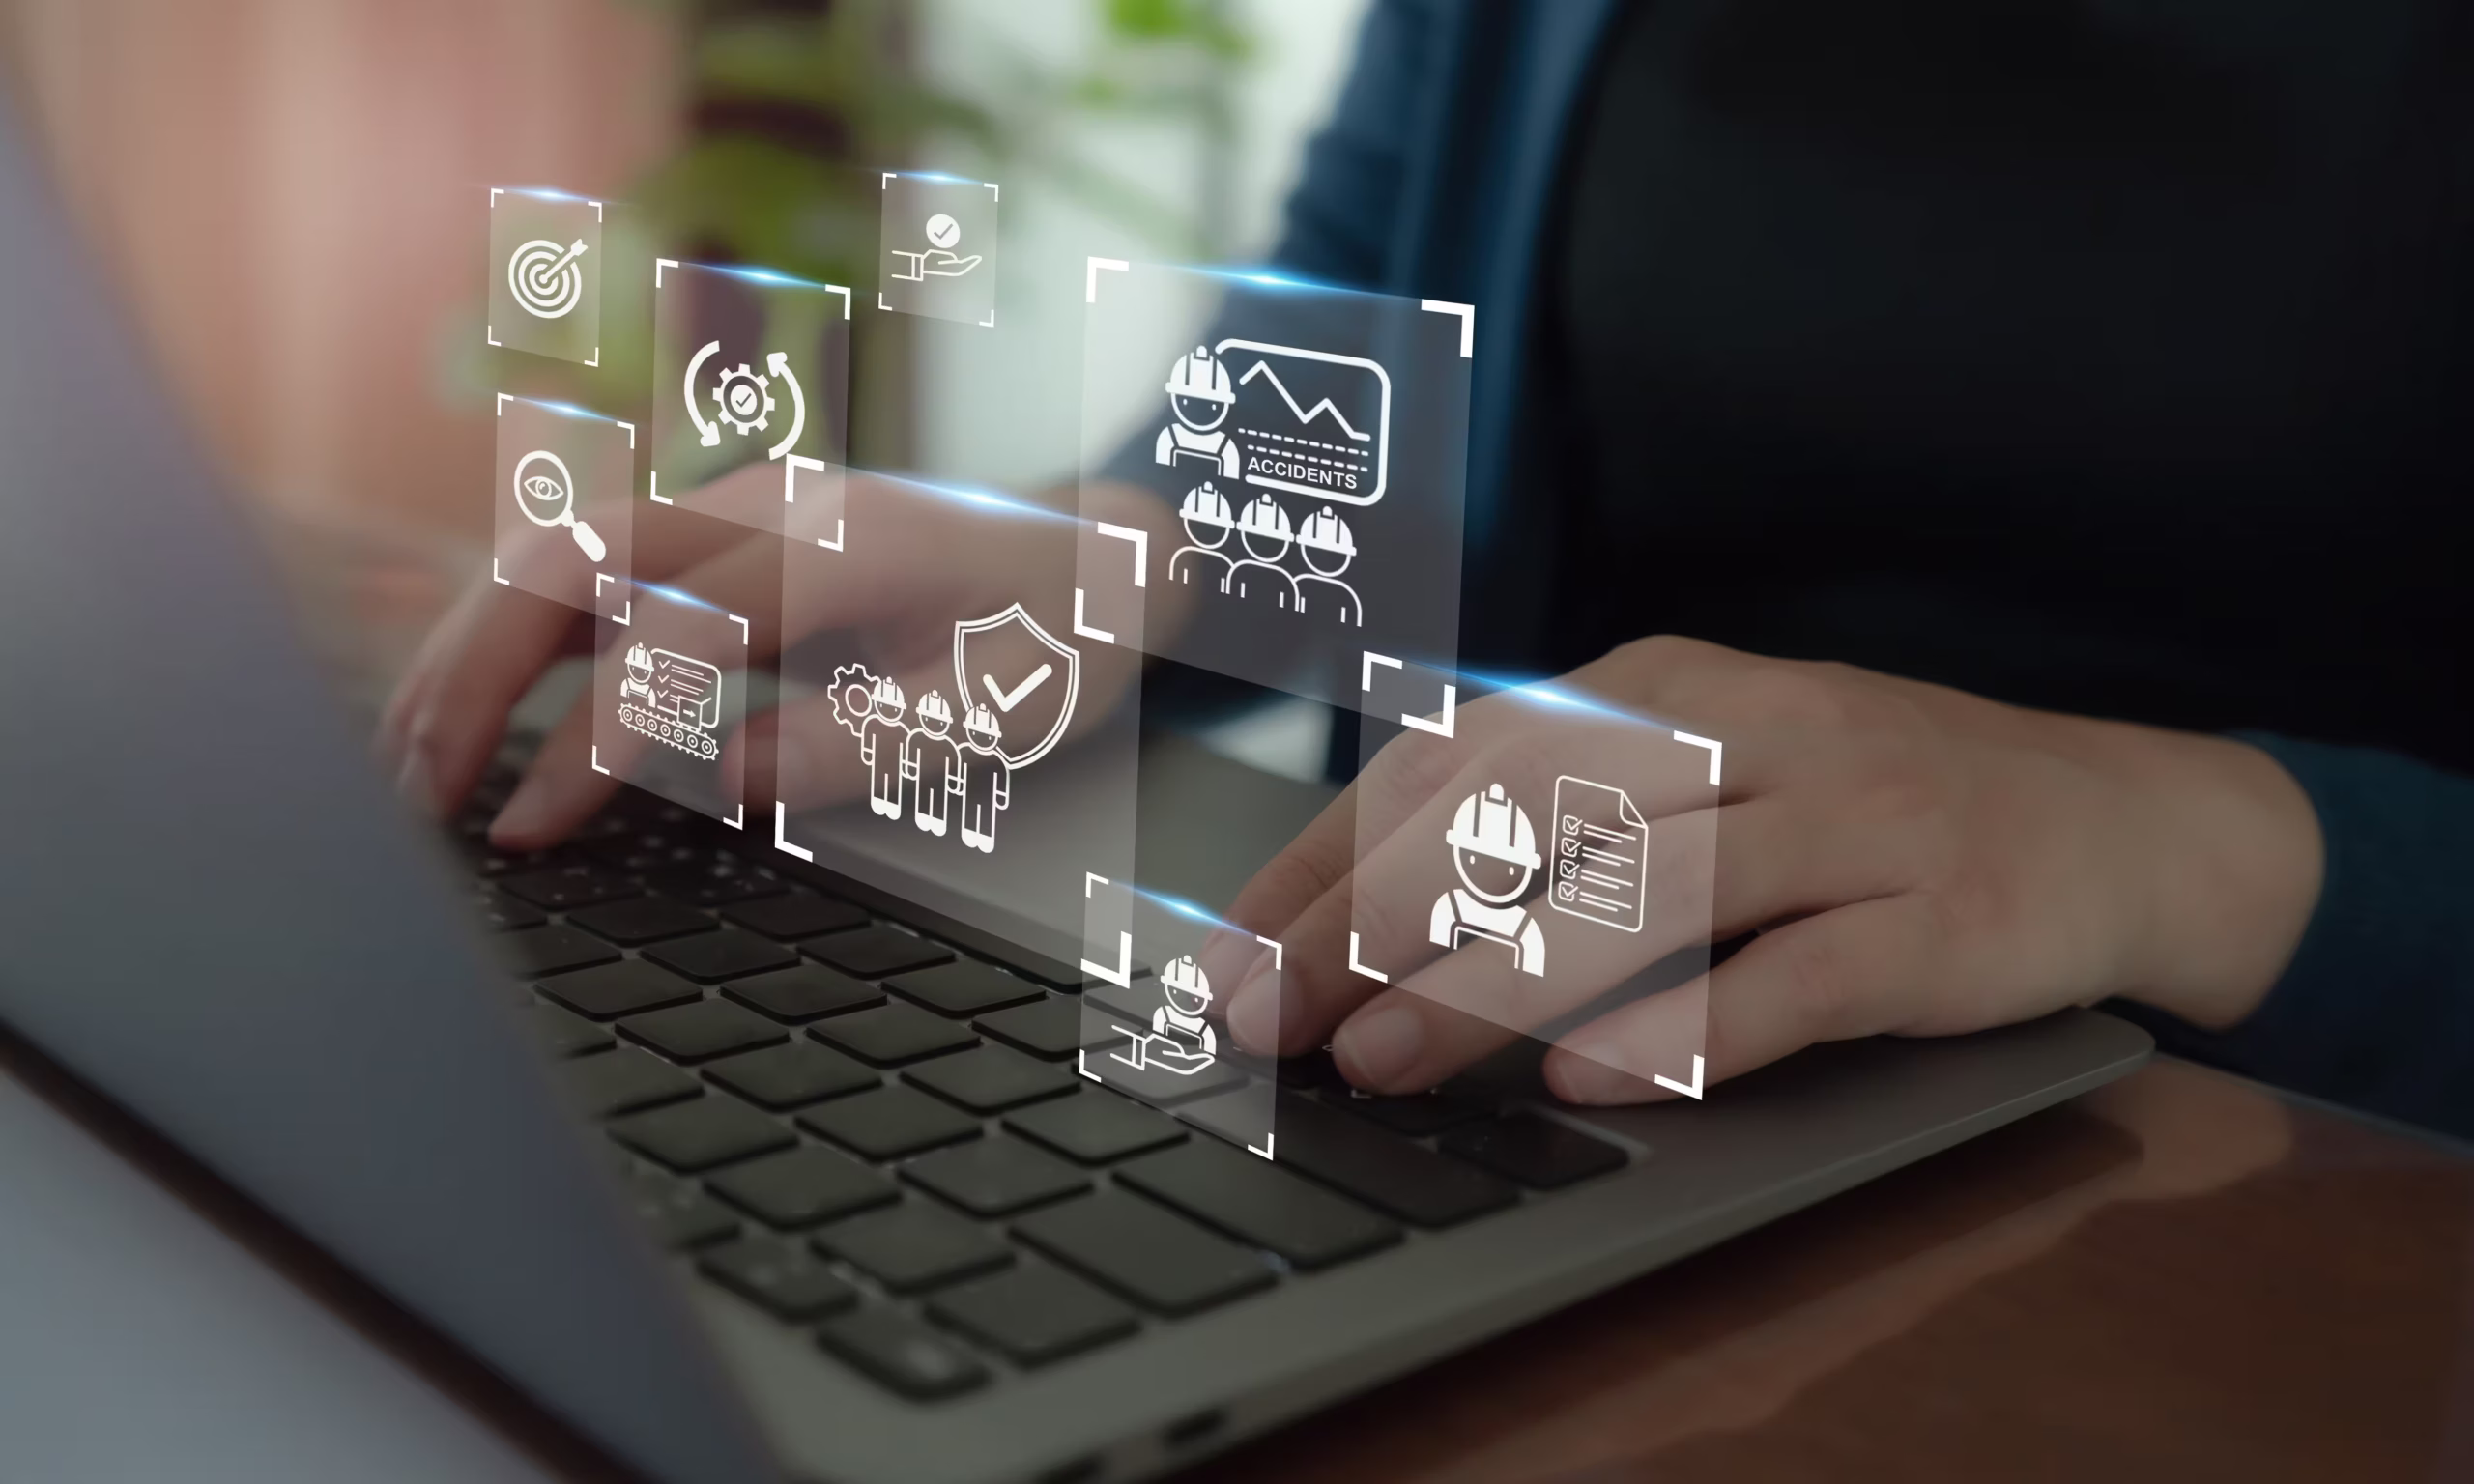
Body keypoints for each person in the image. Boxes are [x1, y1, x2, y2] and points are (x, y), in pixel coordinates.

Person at [382, 1, 2474, 1138]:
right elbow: (1356, 341)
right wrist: (1129, 548)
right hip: (1518, 1099)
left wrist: (2187, 844)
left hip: (2260, 1206)